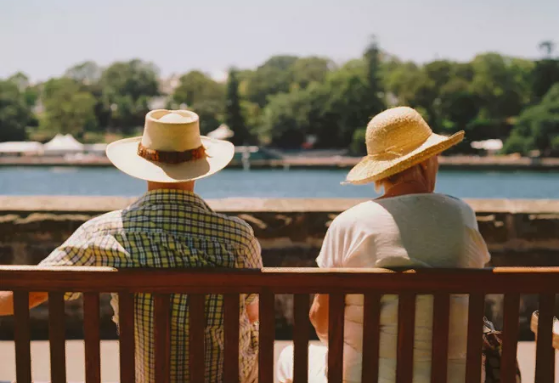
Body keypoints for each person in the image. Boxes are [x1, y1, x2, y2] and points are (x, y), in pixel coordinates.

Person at [0, 110, 263, 383]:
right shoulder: (238, 236)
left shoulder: (103, 233)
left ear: (142, 163)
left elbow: (28, 294)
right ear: (200, 165)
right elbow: (252, 312)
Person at [277, 106, 491, 383]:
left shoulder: (349, 223)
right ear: (426, 161)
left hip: (363, 377)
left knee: (289, 358)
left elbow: (321, 318)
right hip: (455, 377)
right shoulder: (462, 215)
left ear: (380, 171)